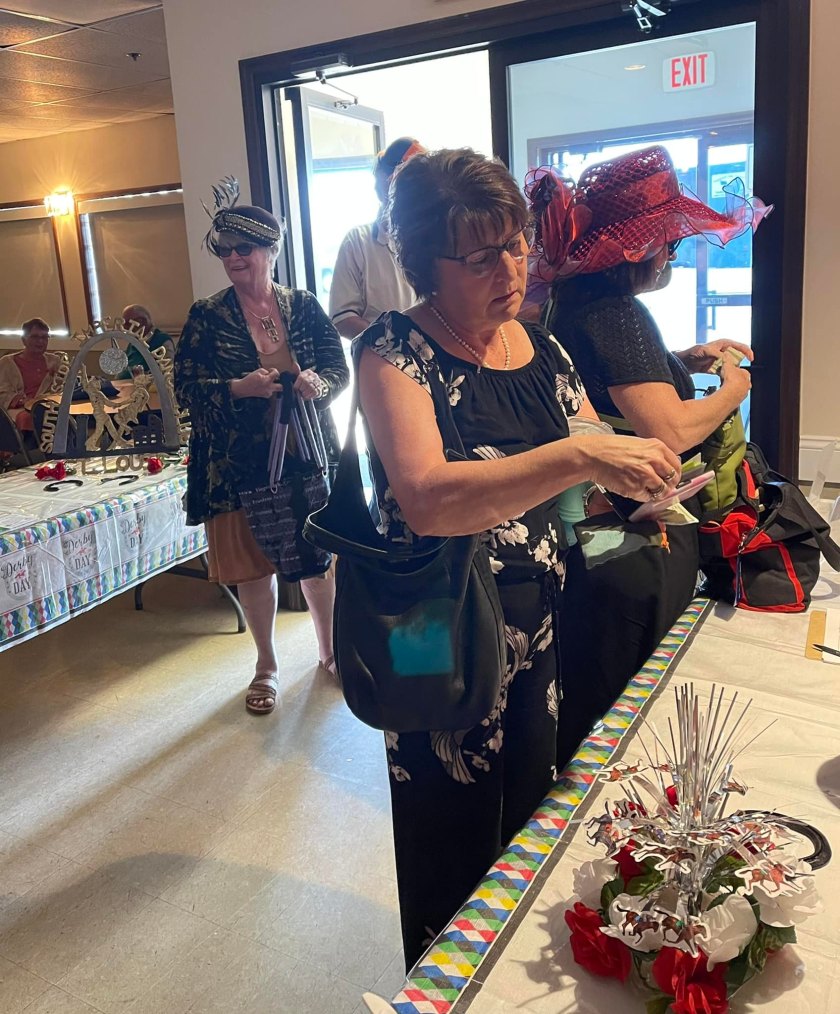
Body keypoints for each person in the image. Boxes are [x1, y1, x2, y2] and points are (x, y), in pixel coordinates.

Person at [355, 147, 681, 967]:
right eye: (480, 257)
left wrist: (631, 484)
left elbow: (584, 472)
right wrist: (580, 456)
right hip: (435, 628)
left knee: (531, 817)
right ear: (425, 266)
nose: (509, 269)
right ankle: (444, 984)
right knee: (447, 827)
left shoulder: (542, 349)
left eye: (516, 244)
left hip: (537, 624)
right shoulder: (394, 351)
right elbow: (428, 498)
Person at [525, 145, 770, 759]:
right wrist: (734, 390)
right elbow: (671, 430)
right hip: (627, 532)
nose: (674, 253)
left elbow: (611, 383)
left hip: (587, 527)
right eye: (670, 240)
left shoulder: (573, 301)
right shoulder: (619, 314)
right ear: (638, 247)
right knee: (627, 696)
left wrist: (682, 360)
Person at [175, 192, 349, 715]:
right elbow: (186, 389)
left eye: (244, 248)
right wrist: (238, 388)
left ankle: (330, 652)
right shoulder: (206, 315)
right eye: (224, 248)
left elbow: (337, 369)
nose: (233, 257)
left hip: (306, 454)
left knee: (318, 560)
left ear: (271, 250)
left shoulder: (304, 306)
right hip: (238, 464)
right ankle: (266, 665)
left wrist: (319, 383)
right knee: (254, 569)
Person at [329, 137, 425, 340]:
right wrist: (398, 342)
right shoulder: (358, 242)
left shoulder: (437, 239)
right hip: (379, 357)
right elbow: (343, 319)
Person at [0, 318, 60, 438]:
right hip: (20, 409)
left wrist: (57, 379)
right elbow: (2, 392)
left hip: (49, 407)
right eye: (35, 337)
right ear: (24, 340)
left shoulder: (55, 361)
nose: (40, 341)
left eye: (44, 337)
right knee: (29, 418)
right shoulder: (7, 362)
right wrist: (22, 401)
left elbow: (64, 388)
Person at [119, 304, 174, 377]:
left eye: (128, 324)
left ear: (142, 321)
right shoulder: (133, 342)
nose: (124, 328)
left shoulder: (162, 341)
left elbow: (168, 372)